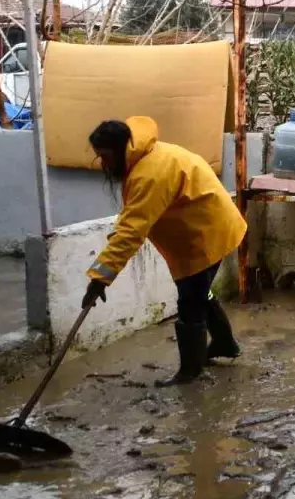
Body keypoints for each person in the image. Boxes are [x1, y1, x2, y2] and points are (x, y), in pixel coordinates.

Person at [82, 117, 247, 386]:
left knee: (190, 303)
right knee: (200, 293)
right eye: (98, 157)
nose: (103, 165)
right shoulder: (144, 157)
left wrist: (100, 278)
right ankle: (224, 344)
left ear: (121, 148)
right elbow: (131, 219)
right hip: (205, 227)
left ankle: (190, 372)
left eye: (105, 157)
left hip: (205, 234)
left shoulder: (149, 173)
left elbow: (131, 231)